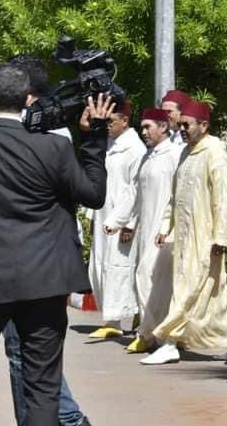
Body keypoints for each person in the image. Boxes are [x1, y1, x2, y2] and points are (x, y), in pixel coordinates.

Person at [0, 63, 110, 426]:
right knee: (42, 384)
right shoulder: (55, 147)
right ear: (28, 100)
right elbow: (93, 194)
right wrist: (93, 139)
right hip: (44, 281)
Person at [5, 54, 91, 426]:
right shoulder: (49, 131)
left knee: (26, 353)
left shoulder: (45, 134)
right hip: (42, 258)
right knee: (31, 354)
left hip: (35, 260)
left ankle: (68, 420)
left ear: (25, 93)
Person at [140, 100, 227, 365]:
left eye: (186, 125)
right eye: (180, 125)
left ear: (203, 125)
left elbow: (223, 198)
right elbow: (174, 195)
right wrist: (165, 226)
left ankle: (170, 342)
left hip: (206, 237)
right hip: (183, 237)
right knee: (214, 291)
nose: (181, 129)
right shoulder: (185, 153)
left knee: (187, 289)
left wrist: (220, 237)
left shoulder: (215, 152)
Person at [105, 107, 181, 353]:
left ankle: (156, 336)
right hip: (146, 231)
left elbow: (179, 196)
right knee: (147, 280)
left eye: (148, 127)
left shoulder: (174, 155)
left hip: (165, 233)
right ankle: (154, 335)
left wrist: (168, 228)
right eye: (142, 127)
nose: (144, 132)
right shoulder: (148, 157)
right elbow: (134, 193)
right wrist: (116, 220)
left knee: (151, 279)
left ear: (163, 127)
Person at [88, 99, 146, 338]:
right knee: (100, 265)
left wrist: (129, 223)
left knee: (120, 268)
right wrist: (92, 215)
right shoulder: (108, 145)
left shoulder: (136, 149)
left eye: (112, 121)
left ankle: (126, 318)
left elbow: (136, 189)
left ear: (125, 120)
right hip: (103, 215)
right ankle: (110, 319)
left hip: (122, 219)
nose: (108, 126)